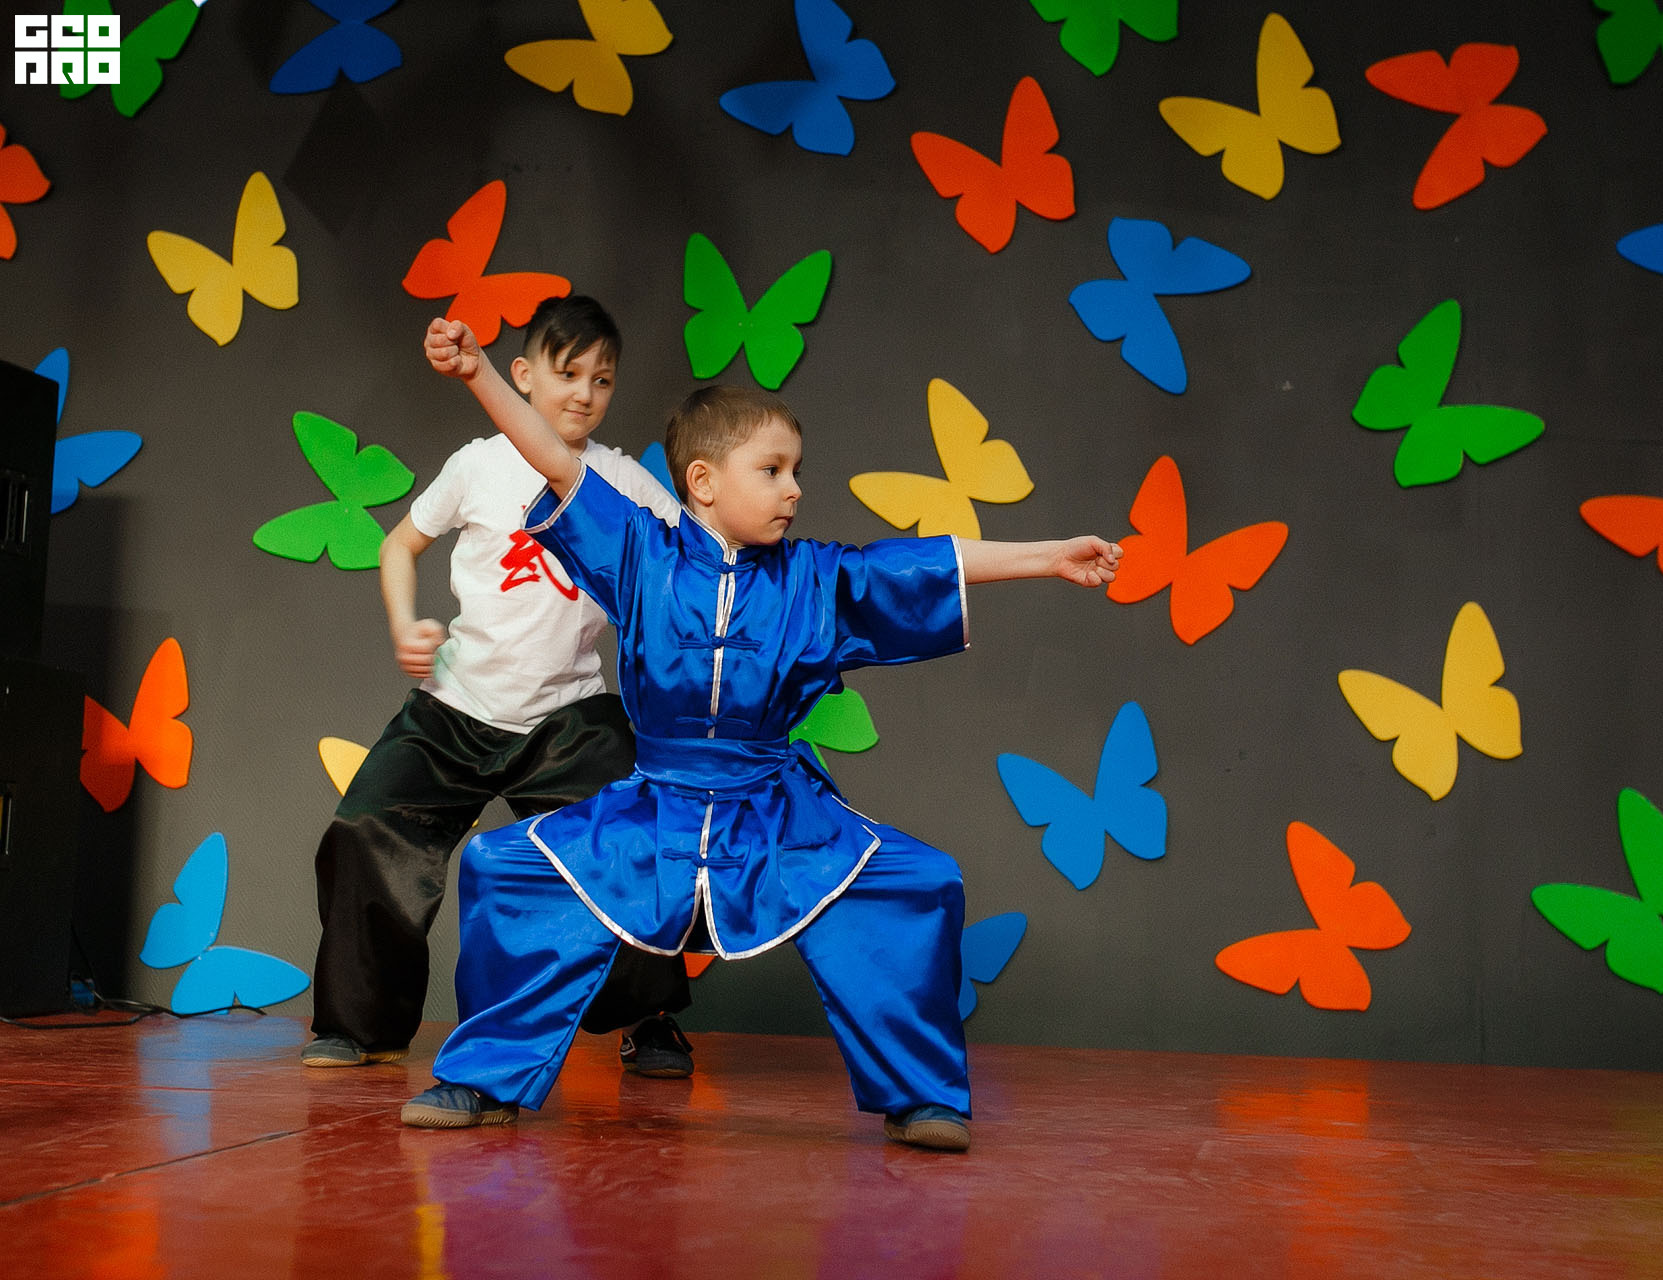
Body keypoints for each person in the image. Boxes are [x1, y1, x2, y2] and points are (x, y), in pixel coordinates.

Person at [399, 315, 1121, 1151]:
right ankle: (482, 1081)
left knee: (919, 881)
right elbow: (555, 461)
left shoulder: (816, 578)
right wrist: (479, 373)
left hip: (774, 812)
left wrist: (1048, 556)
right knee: (504, 867)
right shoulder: (638, 551)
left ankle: (923, 1098)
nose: (794, 490)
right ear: (703, 482)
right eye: (772, 470)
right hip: (653, 808)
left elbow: (931, 563)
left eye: (796, 472)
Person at [303, 296, 695, 1079]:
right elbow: (398, 545)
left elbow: (691, 560)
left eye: (603, 380)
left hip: (568, 717)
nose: (584, 393)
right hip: (455, 708)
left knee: (636, 832)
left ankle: (649, 1019)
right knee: (365, 827)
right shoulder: (477, 464)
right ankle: (361, 1025)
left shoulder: (624, 480)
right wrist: (404, 625)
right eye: (568, 372)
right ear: (522, 374)